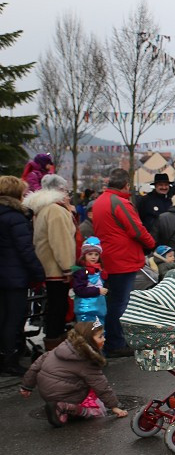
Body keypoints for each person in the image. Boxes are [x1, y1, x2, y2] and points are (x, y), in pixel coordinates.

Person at [19, 321, 127, 427]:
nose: (104, 339)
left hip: (47, 392)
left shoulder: (61, 347)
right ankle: (67, 407)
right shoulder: (87, 360)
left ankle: (62, 412)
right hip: (65, 394)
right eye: (100, 337)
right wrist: (114, 407)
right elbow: (101, 385)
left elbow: (35, 367)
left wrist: (26, 386)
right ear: (88, 340)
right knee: (96, 411)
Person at [24, 174, 77, 351]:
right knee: (58, 308)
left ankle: (55, 342)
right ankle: (55, 346)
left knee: (56, 307)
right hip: (56, 268)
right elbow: (61, 241)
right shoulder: (55, 210)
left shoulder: (42, 208)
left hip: (48, 265)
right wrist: (68, 268)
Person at [0, 176, 45, 376]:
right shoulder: (16, 217)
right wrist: (38, 273)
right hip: (14, 276)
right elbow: (26, 250)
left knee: (2, 318)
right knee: (14, 319)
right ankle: (10, 360)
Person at [71, 237, 108, 323]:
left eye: (96, 254)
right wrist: (97, 291)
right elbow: (79, 290)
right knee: (87, 331)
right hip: (86, 308)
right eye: (90, 254)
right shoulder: (81, 272)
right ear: (84, 255)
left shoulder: (99, 270)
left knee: (99, 331)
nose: (93, 257)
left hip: (99, 308)